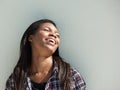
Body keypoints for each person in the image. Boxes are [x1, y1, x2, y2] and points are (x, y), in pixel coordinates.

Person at [5, 19, 86, 90]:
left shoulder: (71, 76)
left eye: (57, 35)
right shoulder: (16, 80)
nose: (53, 35)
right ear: (30, 38)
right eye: (47, 30)